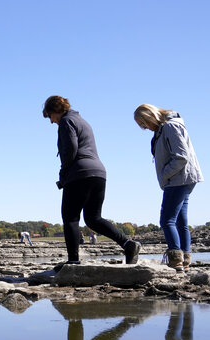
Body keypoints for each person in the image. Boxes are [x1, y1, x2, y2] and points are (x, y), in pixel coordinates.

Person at [43, 95, 141, 268]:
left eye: (50, 116)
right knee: (93, 218)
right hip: (99, 173)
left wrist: (63, 173)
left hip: (79, 174)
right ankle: (127, 244)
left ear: (56, 110)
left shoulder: (66, 121)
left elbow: (70, 150)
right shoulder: (83, 121)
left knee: (70, 217)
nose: (52, 121)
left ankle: (73, 261)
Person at [134, 104, 204, 272]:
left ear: (150, 117)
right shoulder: (164, 129)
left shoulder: (170, 127)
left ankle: (176, 260)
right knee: (180, 221)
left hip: (178, 179)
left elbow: (181, 157)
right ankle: (185, 261)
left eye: (144, 124)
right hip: (182, 178)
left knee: (167, 220)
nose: (144, 128)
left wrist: (165, 174)